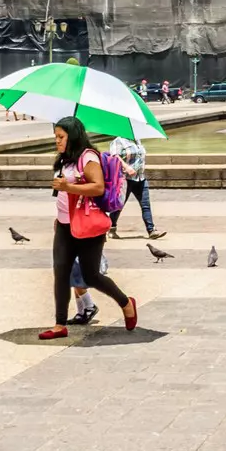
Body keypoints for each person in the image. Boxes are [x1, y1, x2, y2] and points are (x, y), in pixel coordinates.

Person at [40, 116, 136, 340]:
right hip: (65, 224)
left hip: (87, 224)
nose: (57, 141)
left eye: (61, 137)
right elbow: (64, 192)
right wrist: (60, 213)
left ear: (72, 136)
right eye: (56, 137)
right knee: (60, 273)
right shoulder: (65, 159)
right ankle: (59, 324)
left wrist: (68, 186)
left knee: (91, 275)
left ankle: (125, 302)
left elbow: (98, 187)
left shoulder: (88, 157)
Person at [108, 134, 165, 239]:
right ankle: (111, 227)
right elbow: (114, 156)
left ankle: (151, 230)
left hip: (140, 177)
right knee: (119, 205)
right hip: (125, 179)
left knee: (145, 205)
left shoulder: (137, 140)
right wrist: (126, 167)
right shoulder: (119, 141)